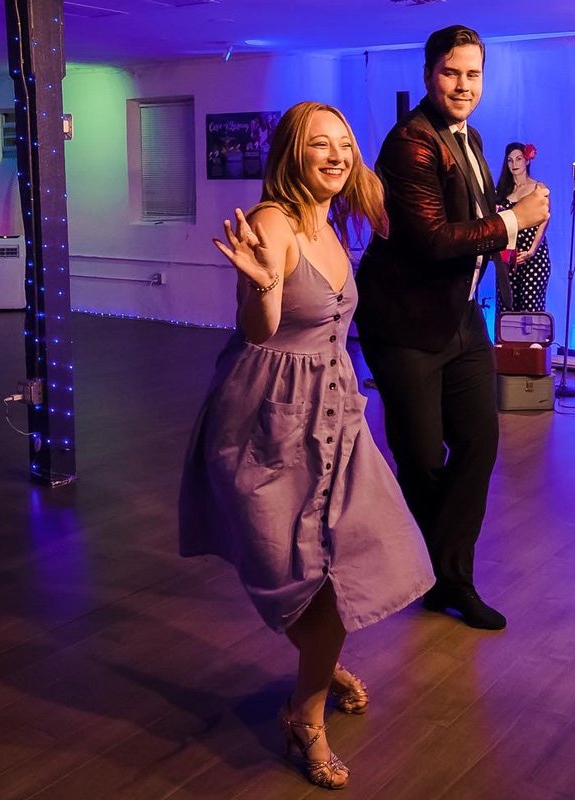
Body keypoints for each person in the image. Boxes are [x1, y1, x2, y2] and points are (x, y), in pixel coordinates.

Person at [178, 101, 434, 790]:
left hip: (334, 417)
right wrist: (262, 286)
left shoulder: (333, 221)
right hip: (265, 425)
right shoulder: (272, 222)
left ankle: (308, 699)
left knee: (356, 557)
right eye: (320, 144)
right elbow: (260, 330)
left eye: (345, 144)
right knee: (294, 574)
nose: (336, 155)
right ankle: (313, 677)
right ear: (292, 152)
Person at [355, 25, 549, 631]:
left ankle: (447, 579)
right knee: (420, 459)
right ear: (428, 75)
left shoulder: (472, 137)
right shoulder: (411, 144)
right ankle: (436, 576)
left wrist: (515, 212)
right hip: (404, 324)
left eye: (473, 74)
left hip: (461, 317)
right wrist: (515, 219)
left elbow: (477, 218)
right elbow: (436, 240)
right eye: (451, 73)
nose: (463, 85)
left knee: (478, 444)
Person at [495, 142, 552, 315]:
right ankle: (507, 342)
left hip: (533, 254)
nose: (514, 164)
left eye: (518, 159)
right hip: (509, 256)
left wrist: (532, 250)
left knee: (530, 305)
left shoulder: (538, 187)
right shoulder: (502, 191)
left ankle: (533, 342)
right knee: (507, 305)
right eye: (510, 160)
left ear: (526, 160)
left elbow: (544, 219)